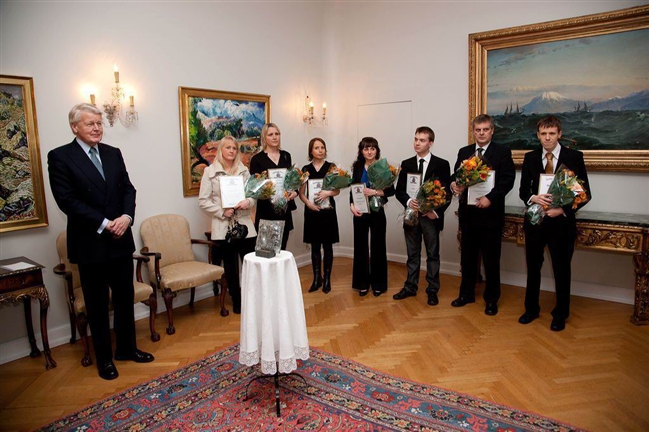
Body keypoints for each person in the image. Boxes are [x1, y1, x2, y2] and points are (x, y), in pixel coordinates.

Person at [48, 103, 154, 380]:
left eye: (99, 123)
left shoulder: (112, 152)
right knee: (97, 305)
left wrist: (127, 218)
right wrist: (106, 223)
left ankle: (127, 349)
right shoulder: (60, 157)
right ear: (75, 127)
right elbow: (67, 201)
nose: (97, 128)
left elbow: (128, 189)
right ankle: (104, 359)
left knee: (124, 298)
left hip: (120, 239)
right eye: (90, 124)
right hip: (90, 243)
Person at [518, 115, 591, 331]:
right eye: (543, 134)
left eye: (551, 133)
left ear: (559, 134)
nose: (547, 138)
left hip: (561, 225)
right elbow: (523, 191)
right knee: (533, 267)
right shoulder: (530, 157)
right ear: (538, 135)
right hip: (536, 222)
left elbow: (584, 193)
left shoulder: (574, 157)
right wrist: (534, 198)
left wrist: (562, 210)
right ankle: (531, 309)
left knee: (561, 269)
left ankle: (560, 313)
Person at [450, 114, 515, 316]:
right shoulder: (465, 152)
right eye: (478, 130)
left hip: (490, 215)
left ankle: (491, 300)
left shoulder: (502, 151)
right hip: (468, 215)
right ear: (473, 131)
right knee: (467, 258)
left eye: (485, 129)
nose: (481, 133)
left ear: (492, 131)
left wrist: (490, 198)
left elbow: (507, 180)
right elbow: (456, 175)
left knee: (491, 260)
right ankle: (466, 294)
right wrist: (454, 185)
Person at [198, 136, 257, 314]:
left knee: (251, 264)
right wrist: (221, 211)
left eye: (234, 148)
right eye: (228, 147)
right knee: (231, 267)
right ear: (221, 150)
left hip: (245, 225)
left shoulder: (244, 171)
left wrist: (248, 202)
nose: (231, 151)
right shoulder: (210, 172)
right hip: (224, 226)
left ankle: (252, 299)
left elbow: (254, 195)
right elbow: (203, 201)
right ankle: (237, 301)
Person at [393, 127, 451, 306]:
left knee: (432, 255)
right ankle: (410, 286)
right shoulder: (407, 163)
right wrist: (408, 201)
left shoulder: (442, 164)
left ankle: (432, 290)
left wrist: (436, 212)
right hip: (411, 216)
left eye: (422, 140)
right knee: (412, 254)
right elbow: (399, 190)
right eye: (416, 139)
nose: (417, 143)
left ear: (430, 143)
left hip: (430, 218)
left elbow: (447, 193)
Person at [349, 137, 395, 297]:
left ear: (377, 150)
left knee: (378, 247)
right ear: (361, 151)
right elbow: (352, 188)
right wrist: (351, 206)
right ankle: (361, 284)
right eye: (366, 149)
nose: (369, 152)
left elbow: (391, 191)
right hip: (360, 211)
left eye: (372, 148)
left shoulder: (383, 166)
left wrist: (374, 192)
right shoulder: (357, 167)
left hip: (377, 212)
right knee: (360, 247)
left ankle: (378, 284)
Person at [298, 138, 340, 294]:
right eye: (317, 148)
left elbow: (337, 190)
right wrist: (309, 204)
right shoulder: (306, 169)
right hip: (312, 212)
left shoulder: (331, 167)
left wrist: (327, 193)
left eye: (322, 147)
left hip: (328, 212)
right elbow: (301, 193)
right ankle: (317, 279)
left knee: (328, 247)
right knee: (315, 247)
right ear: (311, 151)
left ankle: (327, 279)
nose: (320, 150)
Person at [249, 123, 297, 250]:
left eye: (277, 134)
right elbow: (254, 187)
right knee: (266, 251)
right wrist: (266, 190)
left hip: (284, 210)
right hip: (266, 210)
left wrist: (294, 192)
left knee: (282, 250)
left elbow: (291, 180)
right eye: (270, 134)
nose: (275, 137)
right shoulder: (257, 159)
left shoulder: (286, 156)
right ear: (264, 138)